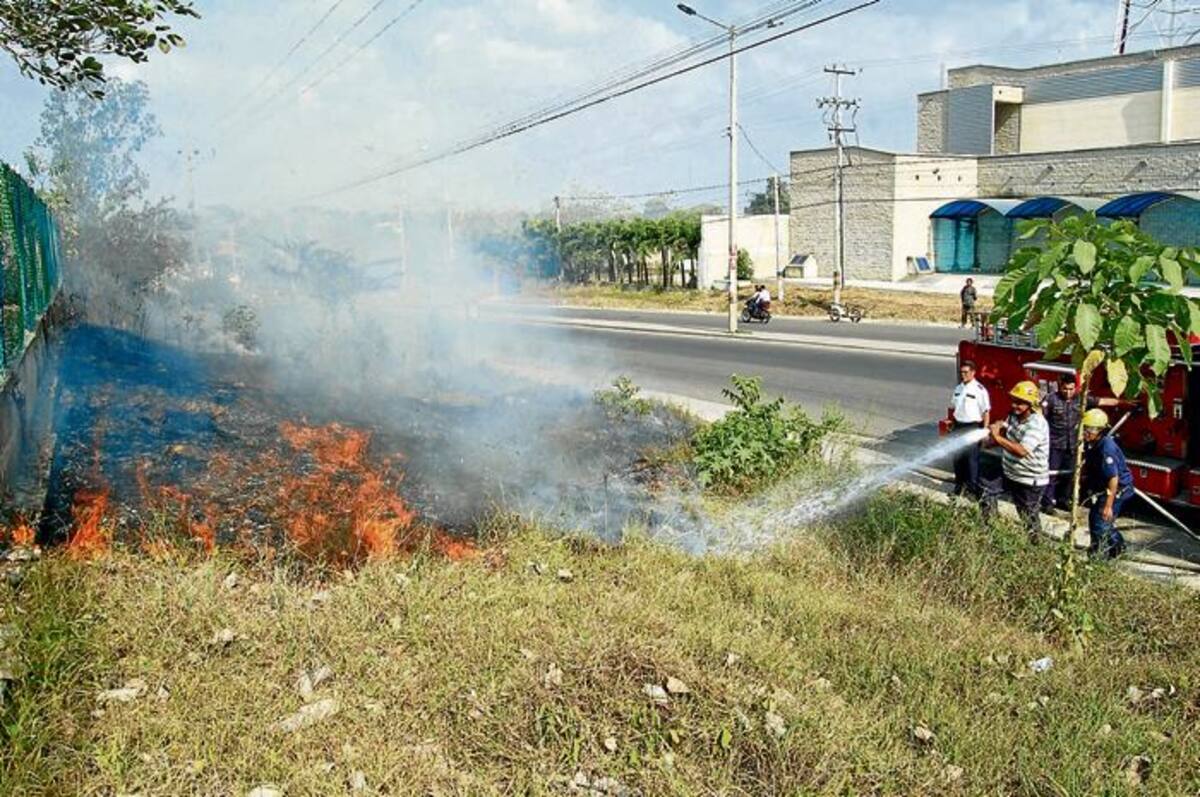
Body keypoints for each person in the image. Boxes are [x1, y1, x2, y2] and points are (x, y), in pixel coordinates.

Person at [1040, 378, 1122, 512]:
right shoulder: (1051, 399)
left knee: (1071, 475)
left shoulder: (1081, 399)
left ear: (1075, 388)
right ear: (1060, 387)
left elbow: (1101, 401)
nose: (1068, 392)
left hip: (1073, 444)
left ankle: (1064, 500)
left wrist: (1122, 402)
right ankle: (1047, 503)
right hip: (1055, 444)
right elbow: (1040, 416)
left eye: (1071, 389)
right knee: (1051, 474)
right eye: (1065, 389)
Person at [982, 380, 1050, 539]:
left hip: (1029, 480)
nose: (1015, 405)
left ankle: (1035, 547)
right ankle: (990, 529)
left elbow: (1021, 450)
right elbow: (1006, 433)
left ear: (1030, 404)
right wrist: (990, 440)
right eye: (1013, 401)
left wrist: (997, 438)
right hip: (1010, 472)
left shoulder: (1037, 424)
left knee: (1028, 516)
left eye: (1020, 403)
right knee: (987, 491)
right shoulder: (1013, 416)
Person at [1080, 408, 1133, 559]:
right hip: (1104, 487)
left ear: (1100, 430)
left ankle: (1100, 556)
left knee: (1100, 524)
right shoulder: (1092, 443)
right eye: (1084, 428)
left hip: (1116, 490)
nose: (1085, 432)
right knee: (1097, 521)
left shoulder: (1106, 449)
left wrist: (1108, 506)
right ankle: (1117, 547)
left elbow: (1113, 478)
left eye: (1089, 429)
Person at [950, 360, 990, 498]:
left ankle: (973, 490)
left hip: (972, 426)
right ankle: (959, 486)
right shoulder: (958, 388)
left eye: (966, 372)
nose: (963, 375)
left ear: (973, 373)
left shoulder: (979, 390)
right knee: (957, 458)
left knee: (971, 460)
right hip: (958, 426)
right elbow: (954, 407)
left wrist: (984, 431)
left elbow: (986, 412)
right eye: (962, 372)